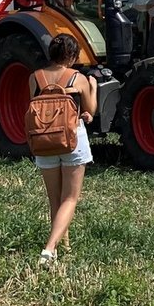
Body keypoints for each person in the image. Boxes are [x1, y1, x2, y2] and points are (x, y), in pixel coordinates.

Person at [32, 32, 97, 265]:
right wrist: (93, 87)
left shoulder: (35, 78)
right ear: (71, 56)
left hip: (44, 141)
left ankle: (63, 246)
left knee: (55, 200)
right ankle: (50, 248)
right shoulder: (78, 78)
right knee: (69, 198)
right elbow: (90, 110)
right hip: (72, 139)